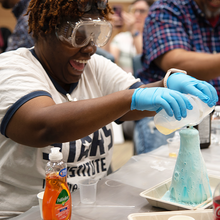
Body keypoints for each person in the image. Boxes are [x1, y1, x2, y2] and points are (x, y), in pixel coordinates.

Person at [0, 0, 217, 217]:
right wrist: (132, 97)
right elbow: (43, 126)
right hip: (25, 213)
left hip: (87, 208)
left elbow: (134, 102)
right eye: (79, 35)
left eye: (95, 35)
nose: (90, 48)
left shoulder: (95, 68)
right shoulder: (11, 69)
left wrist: (167, 85)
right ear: (44, 29)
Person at [134, 0, 220, 154]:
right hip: (167, 112)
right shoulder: (166, 9)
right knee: (160, 167)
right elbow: (176, 61)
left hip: (213, 114)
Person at [110, 0, 154, 74]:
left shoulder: (153, 37)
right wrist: (109, 30)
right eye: (134, 10)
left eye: (142, 11)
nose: (137, 14)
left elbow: (143, 61)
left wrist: (134, 31)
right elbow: (110, 59)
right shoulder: (120, 38)